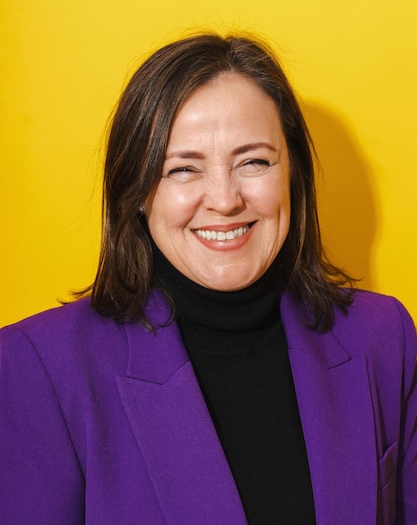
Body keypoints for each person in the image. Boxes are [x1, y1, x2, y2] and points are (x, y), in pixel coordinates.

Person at [0, 33, 416, 525]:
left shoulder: (383, 336)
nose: (224, 199)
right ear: (136, 190)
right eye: (182, 169)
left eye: (254, 161)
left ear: (293, 175)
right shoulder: (38, 367)